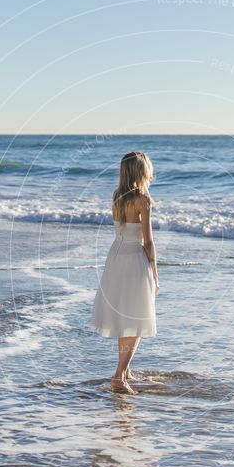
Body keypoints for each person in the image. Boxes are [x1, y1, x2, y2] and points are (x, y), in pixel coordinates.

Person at [90, 151, 159, 394]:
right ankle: (119, 376)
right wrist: (155, 273)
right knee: (137, 319)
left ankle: (125, 370)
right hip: (133, 259)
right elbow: (148, 242)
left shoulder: (117, 196)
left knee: (124, 316)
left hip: (115, 257)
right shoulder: (144, 199)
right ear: (142, 171)